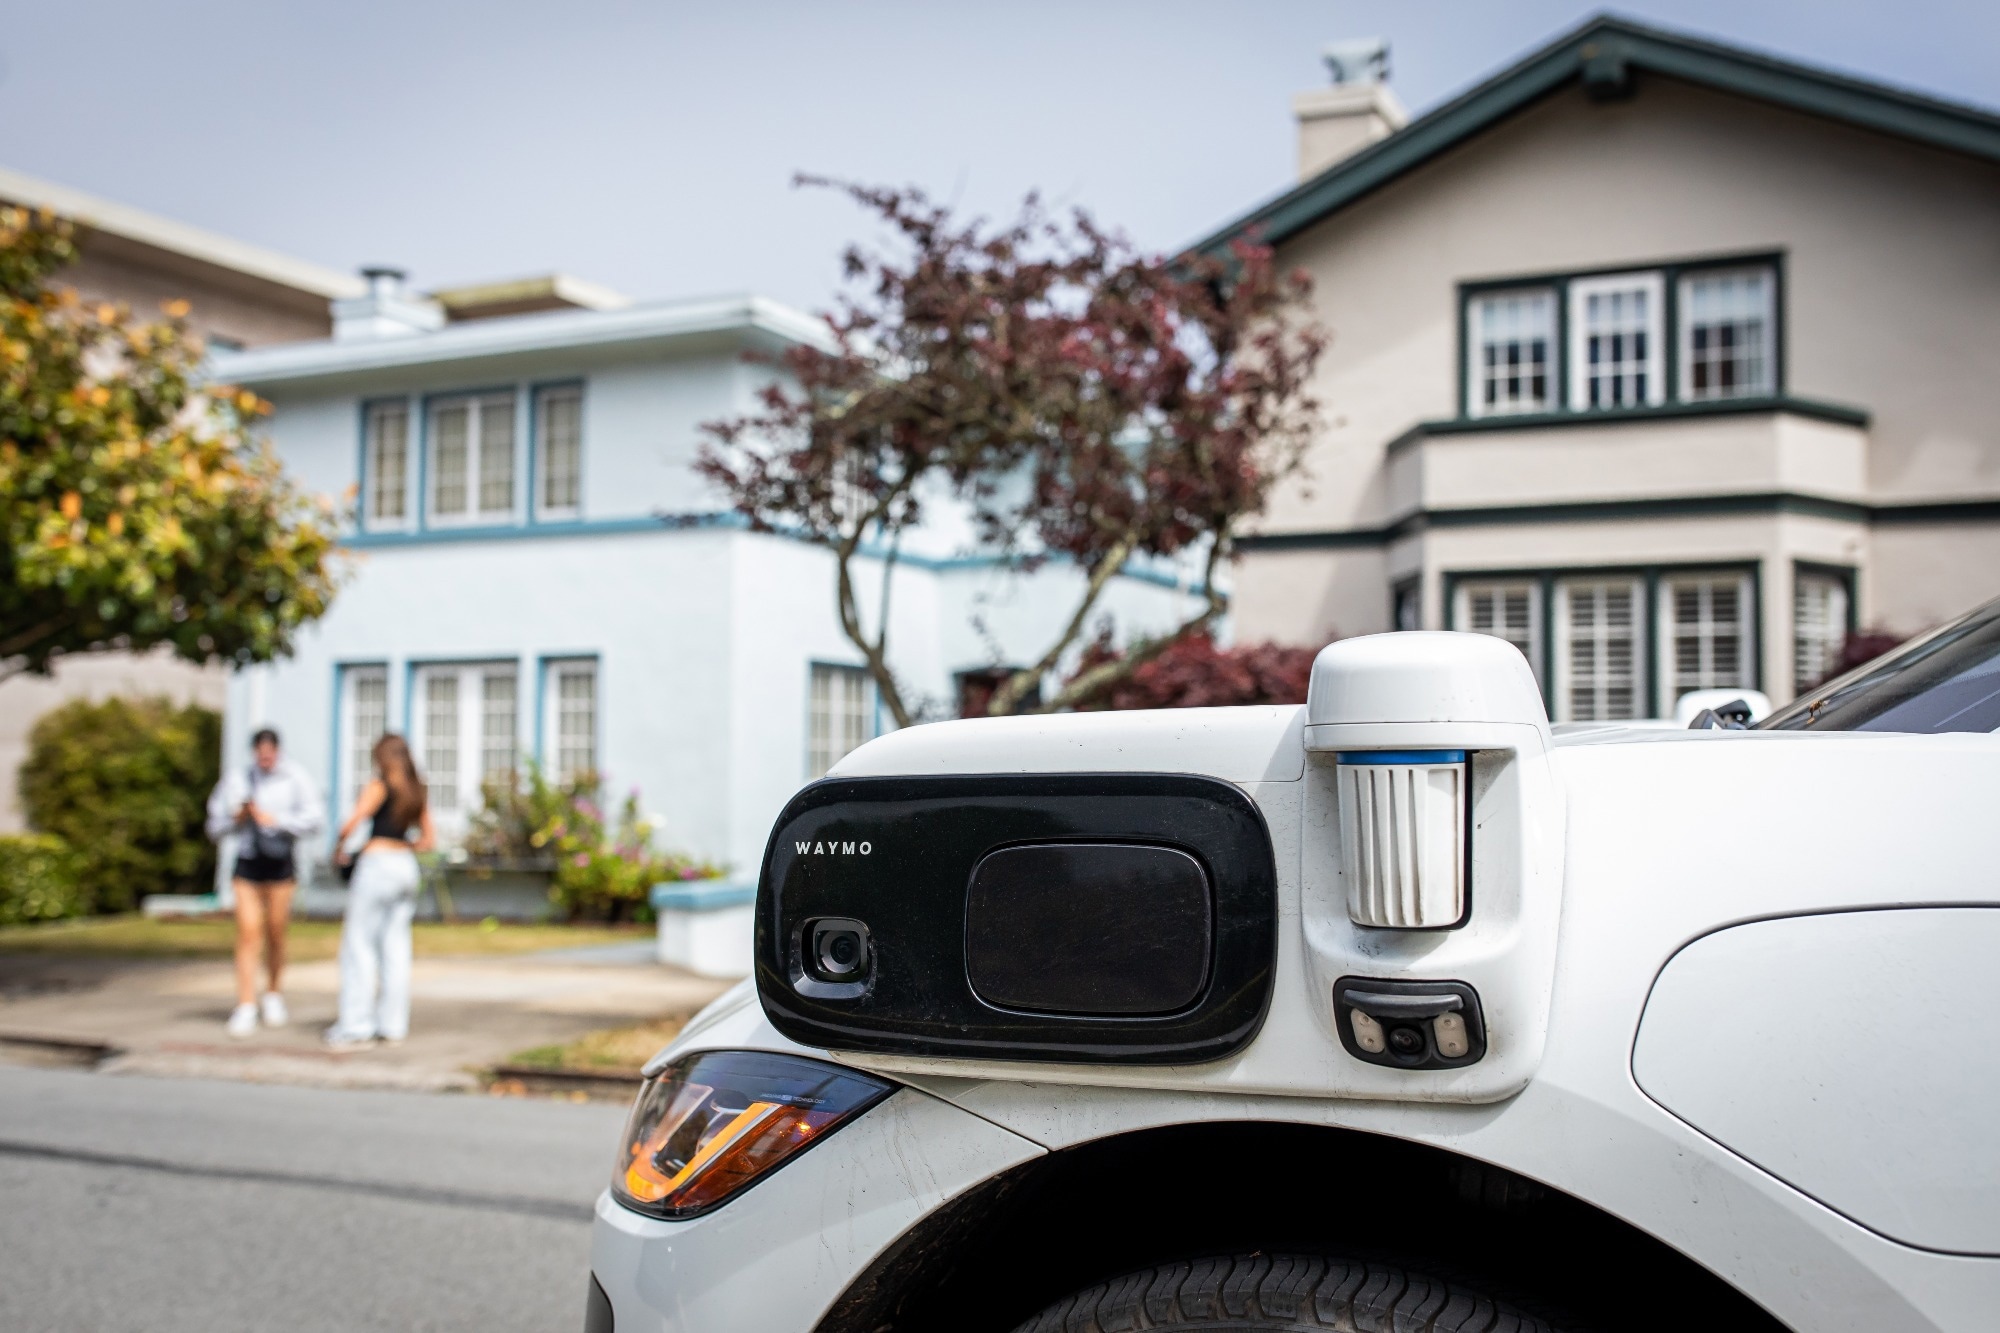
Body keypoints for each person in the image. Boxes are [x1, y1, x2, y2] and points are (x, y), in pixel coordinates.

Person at [205, 727, 325, 1038]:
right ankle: (246, 1003)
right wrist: (238, 817)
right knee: (248, 932)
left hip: (281, 861)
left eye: (270, 753)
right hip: (247, 862)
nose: (266, 759)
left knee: (275, 931)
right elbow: (214, 824)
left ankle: (273, 994)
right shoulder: (238, 779)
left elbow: (315, 819)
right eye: (261, 754)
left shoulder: (294, 778)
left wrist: (277, 821)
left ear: (278, 751)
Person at [325, 734, 435, 1050]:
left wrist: (340, 847)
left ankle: (356, 1026)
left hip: (377, 864)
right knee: (396, 947)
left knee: (359, 944)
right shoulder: (417, 789)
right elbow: (428, 839)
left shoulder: (379, 785)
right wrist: (404, 845)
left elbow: (352, 823)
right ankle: (392, 1025)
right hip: (405, 866)